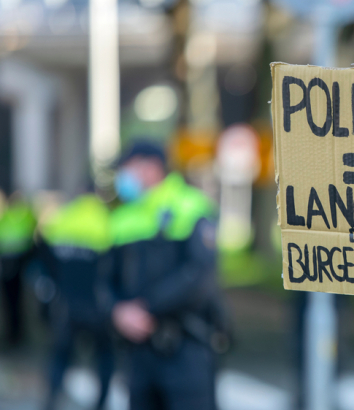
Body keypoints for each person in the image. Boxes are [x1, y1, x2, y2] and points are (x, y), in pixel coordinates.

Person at [105, 141, 227, 410]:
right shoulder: (123, 216)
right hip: (138, 349)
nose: (123, 177)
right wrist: (117, 311)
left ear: (152, 168)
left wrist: (146, 309)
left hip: (186, 344)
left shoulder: (191, 206)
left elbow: (200, 275)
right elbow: (106, 278)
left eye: (128, 168)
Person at [37, 194, 115, 410]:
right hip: (97, 306)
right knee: (105, 355)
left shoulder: (63, 219)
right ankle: (102, 402)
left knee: (60, 355)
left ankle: (51, 399)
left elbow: (45, 259)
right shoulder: (105, 220)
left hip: (65, 305)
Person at [0, 194, 36, 346]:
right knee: (15, 302)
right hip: (17, 263)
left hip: (10, 263)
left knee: (12, 302)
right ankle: (15, 334)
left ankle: (14, 335)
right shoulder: (25, 215)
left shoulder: (8, 217)